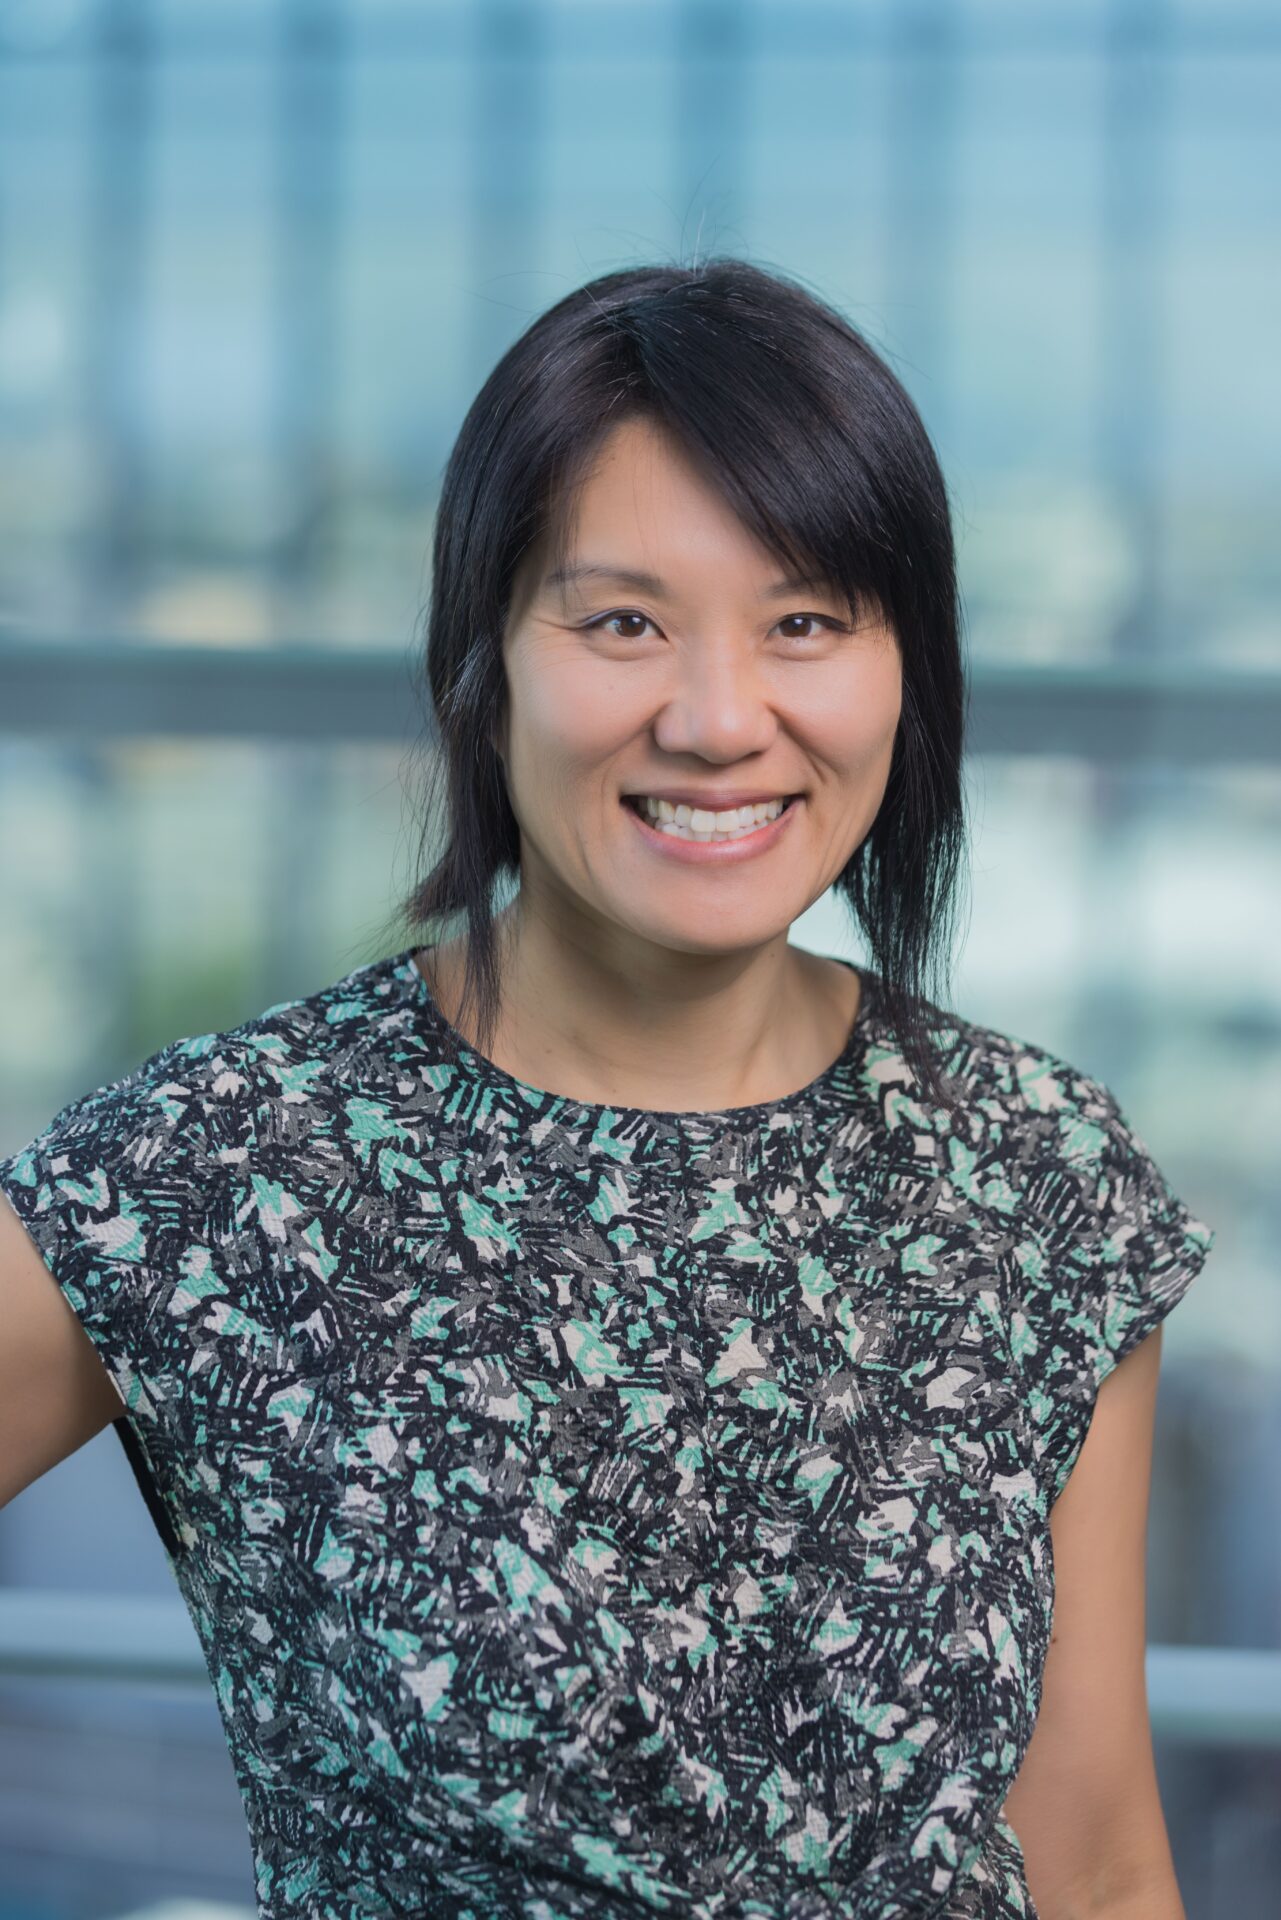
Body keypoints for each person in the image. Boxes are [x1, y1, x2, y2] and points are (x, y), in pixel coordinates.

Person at [0, 256, 1215, 1920]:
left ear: (903, 672)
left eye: (804, 622)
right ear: (481, 662)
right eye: (621, 621)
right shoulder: (228, 1166)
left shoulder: (1035, 1173)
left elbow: (1088, 1856)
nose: (720, 720)